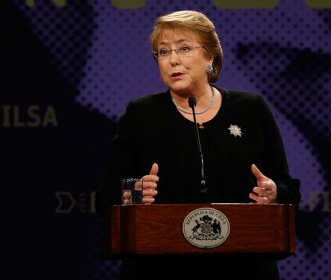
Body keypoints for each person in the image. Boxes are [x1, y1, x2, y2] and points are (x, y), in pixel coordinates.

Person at [96, 10, 301, 280]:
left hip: (243, 268)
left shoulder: (251, 109)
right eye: (163, 52)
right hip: (159, 269)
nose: (173, 60)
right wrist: (134, 193)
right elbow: (106, 196)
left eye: (184, 48)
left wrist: (273, 193)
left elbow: (289, 189)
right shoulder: (141, 114)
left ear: (209, 56)